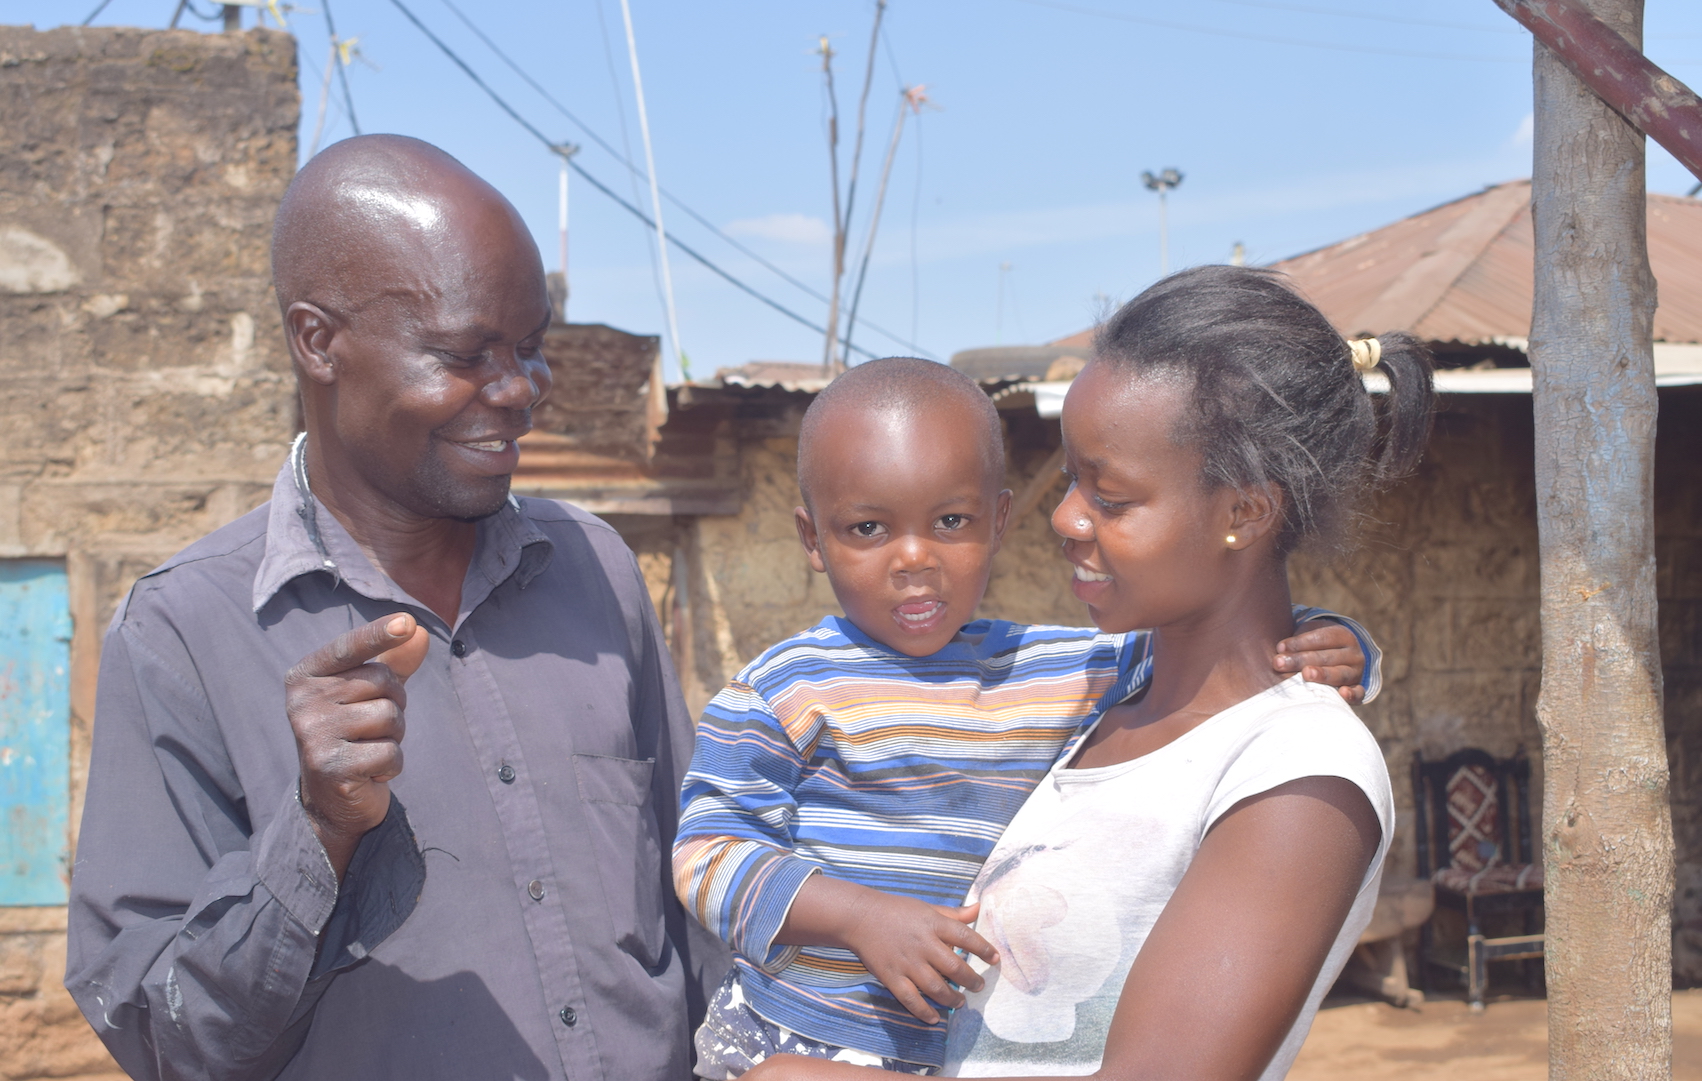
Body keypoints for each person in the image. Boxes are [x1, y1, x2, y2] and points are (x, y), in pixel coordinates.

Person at [64, 135, 727, 1081]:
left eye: (531, 348)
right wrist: (319, 831)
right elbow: (162, 1037)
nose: (516, 392)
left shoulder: (595, 569)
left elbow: (697, 899)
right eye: (463, 354)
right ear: (317, 341)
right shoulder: (183, 636)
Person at [743, 266, 1435, 1081]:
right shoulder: (1096, 705)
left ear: (1245, 512)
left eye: (1111, 498)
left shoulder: (1300, 774)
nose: (1064, 517)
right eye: (1072, 479)